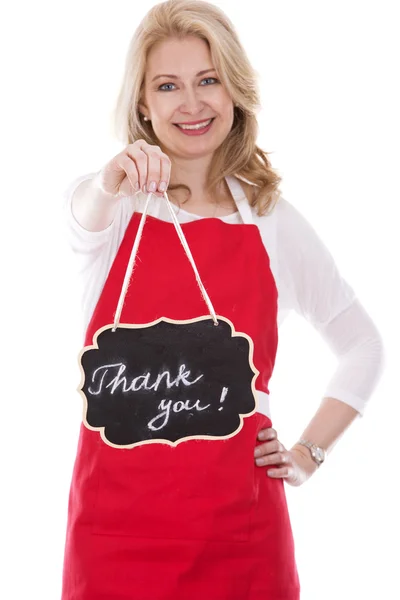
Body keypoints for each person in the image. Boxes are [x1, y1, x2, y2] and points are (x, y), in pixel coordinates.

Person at [61, 1, 385, 598]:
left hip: (240, 536)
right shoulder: (114, 210)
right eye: (168, 85)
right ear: (142, 105)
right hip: (114, 539)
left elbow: (362, 342)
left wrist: (308, 452)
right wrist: (112, 178)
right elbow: (82, 211)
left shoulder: (270, 222)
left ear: (233, 90)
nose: (191, 103)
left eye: (207, 80)